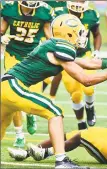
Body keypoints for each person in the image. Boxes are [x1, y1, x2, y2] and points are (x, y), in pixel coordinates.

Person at [1, 13, 107, 168]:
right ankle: (61, 161)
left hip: (7, 86)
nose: (81, 36)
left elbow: (85, 63)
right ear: (68, 34)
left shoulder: (55, 46)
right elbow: (86, 80)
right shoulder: (62, 47)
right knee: (55, 112)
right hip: (14, 86)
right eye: (79, 32)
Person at [1, 1, 53, 147]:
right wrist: (1, 38)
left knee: (33, 94)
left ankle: (30, 115)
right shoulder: (10, 9)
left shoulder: (44, 11)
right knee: (14, 95)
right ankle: (19, 135)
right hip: (13, 55)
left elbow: (49, 36)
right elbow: (1, 30)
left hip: (33, 56)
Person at [54, 1, 103, 130]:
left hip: (85, 54)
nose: (77, 3)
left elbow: (97, 34)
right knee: (75, 95)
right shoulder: (58, 13)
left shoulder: (91, 14)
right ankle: (81, 122)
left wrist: (97, 51)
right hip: (67, 57)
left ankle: (90, 107)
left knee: (89, 88)